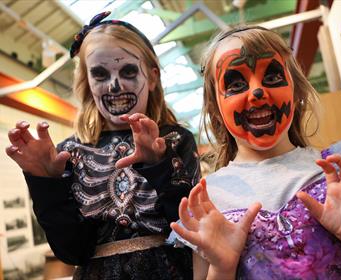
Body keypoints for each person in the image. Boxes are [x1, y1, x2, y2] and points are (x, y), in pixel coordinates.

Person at [170, 26, 341, 280]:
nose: (256, 93)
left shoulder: (338, 172)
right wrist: (222, 267)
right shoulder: (210, 199)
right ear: (215, 108)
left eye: (272, 78)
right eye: (236, 84)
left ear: (295, 91)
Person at [5, 11, 200, 280]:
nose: (115, 85)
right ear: (87, 82)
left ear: (152, 77)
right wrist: (46, 183)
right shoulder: (68, 152)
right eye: (100, 74)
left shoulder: (175, 140)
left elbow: (192, 227)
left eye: (129, 71)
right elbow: (72, 251)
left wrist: (160, 164)